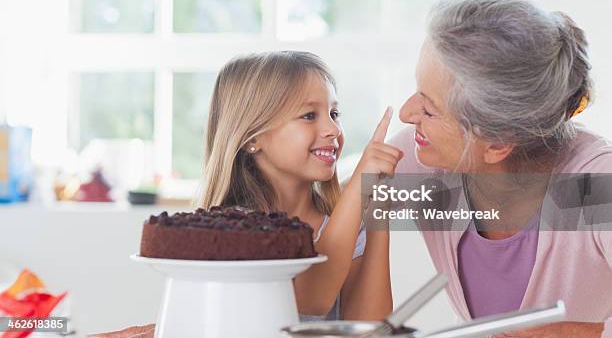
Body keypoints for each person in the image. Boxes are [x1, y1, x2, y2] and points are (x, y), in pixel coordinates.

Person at [92, 51, 399, 337]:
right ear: (253, 138)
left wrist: (377, 206)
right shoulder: (237, 227)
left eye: (334, 113)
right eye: (309, 115)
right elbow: (311, 300)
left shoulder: (343, 221)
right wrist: (358, 186)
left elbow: (370, 327)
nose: (332, 129)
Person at [389, 0, 612, 338]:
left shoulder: (596, 185)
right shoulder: (424, 159)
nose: (406, 114)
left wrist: (579, 332)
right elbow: (317, 218)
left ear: (496, 142)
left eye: (430, 109)